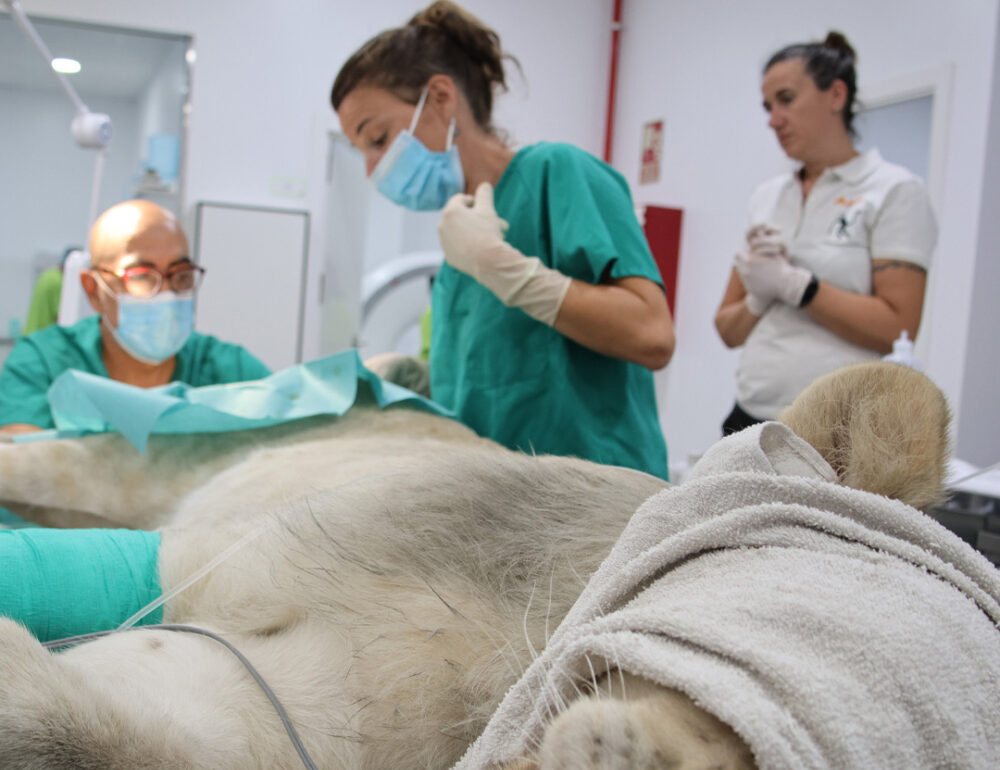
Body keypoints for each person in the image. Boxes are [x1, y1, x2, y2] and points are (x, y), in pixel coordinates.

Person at [331, 1, 674, 478]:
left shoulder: (556, 174)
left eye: (378, 138)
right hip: (503, 509)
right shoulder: (459, 247)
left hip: (597, 506)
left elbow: (652, 335)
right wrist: (417, 381)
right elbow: (496, 383)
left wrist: (506, 270)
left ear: (441, 97)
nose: (372, 169)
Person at [714, 32, 937, 436]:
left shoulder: (893, 190)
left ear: (835, 95)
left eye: (786, 99)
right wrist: (759, 296)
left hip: (835, 429)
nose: (773, 119)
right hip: (751, 416)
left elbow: (896, 329)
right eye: (768, 106)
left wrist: (797, 286)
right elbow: (727, 330)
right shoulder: (768, 197)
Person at [0, 200, 271, 435]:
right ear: (93, 290)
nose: (166, 292)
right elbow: (23, 464)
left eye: (181, 274)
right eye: (141, 276)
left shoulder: (229, 369)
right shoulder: (44, 362)